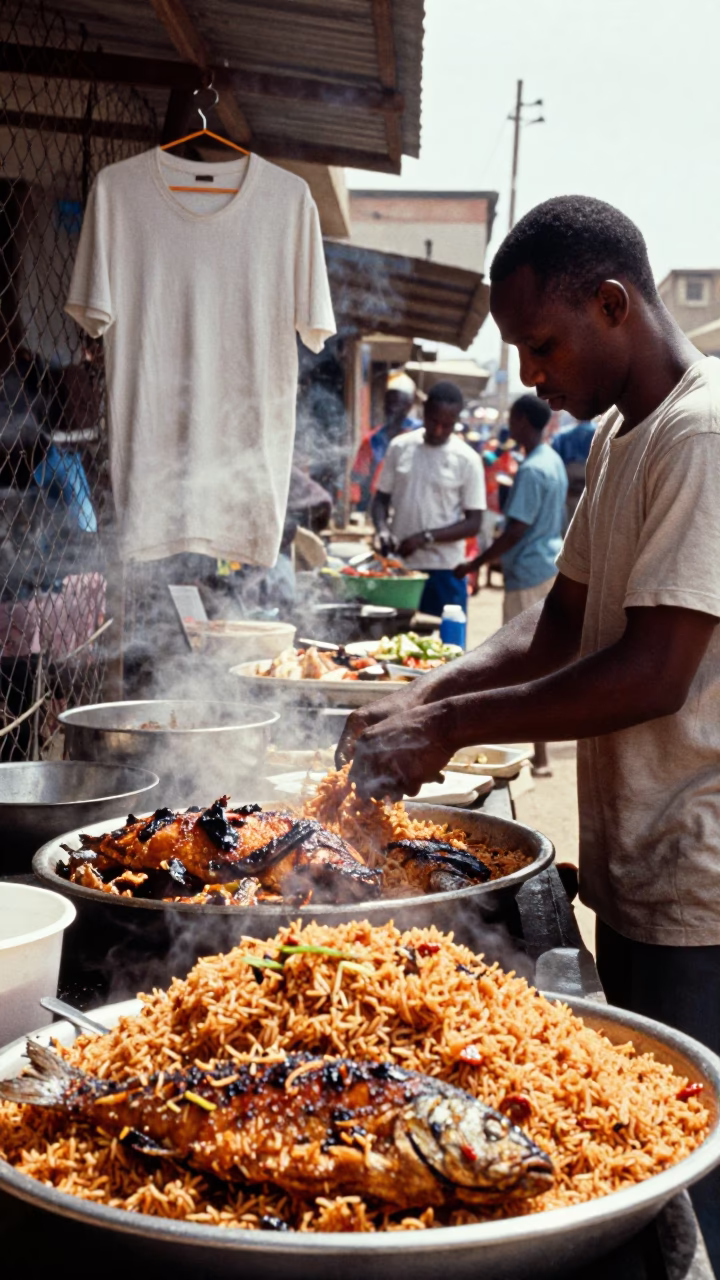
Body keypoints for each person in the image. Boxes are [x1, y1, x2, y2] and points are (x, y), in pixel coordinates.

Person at [338, 194, 720, 1267]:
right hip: (642, 868)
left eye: (542, 346)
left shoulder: (702, 431)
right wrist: (423, 700)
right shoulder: (621, 434)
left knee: (687, 1172)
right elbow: (556, 628)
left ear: (612, 303)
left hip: (705, 877)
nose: (533, 375)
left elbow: (656, 668)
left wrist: (451, 726)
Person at [456, 393, 567, 775]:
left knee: (525, 664)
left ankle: (538, 755)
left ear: (522, 421)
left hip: (527, 572)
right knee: (543, 662)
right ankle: (538, 751)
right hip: (546, 566)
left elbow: (516, 529)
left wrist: (476, 562)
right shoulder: (550, 460)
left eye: (512, 419)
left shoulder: (533, 468)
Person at [371, 381, 485, 617]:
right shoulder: (400, 447)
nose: (438, 430)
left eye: (447, 424)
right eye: (433, 421)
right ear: (424, 410)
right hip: (401, 569)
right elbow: (380, 499)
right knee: (395, 644)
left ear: (456, 420)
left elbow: (474, 522)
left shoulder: (468, 459)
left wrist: (425, 538)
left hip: (445, 570)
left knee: (447, 648)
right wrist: (382, 529)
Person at [350, 373, 420, 512]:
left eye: (398, 403)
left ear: (408, 406)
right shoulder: (372, 440)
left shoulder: (419, 434)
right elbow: (358, 478)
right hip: (376, 506)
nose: (392, 408)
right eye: (389, 402)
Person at [552, 417, 597, 521]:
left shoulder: (564, 433)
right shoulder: (599, 430)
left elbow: (557, 452)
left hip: (570, 471)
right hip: (592, 471)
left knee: (571, 508)